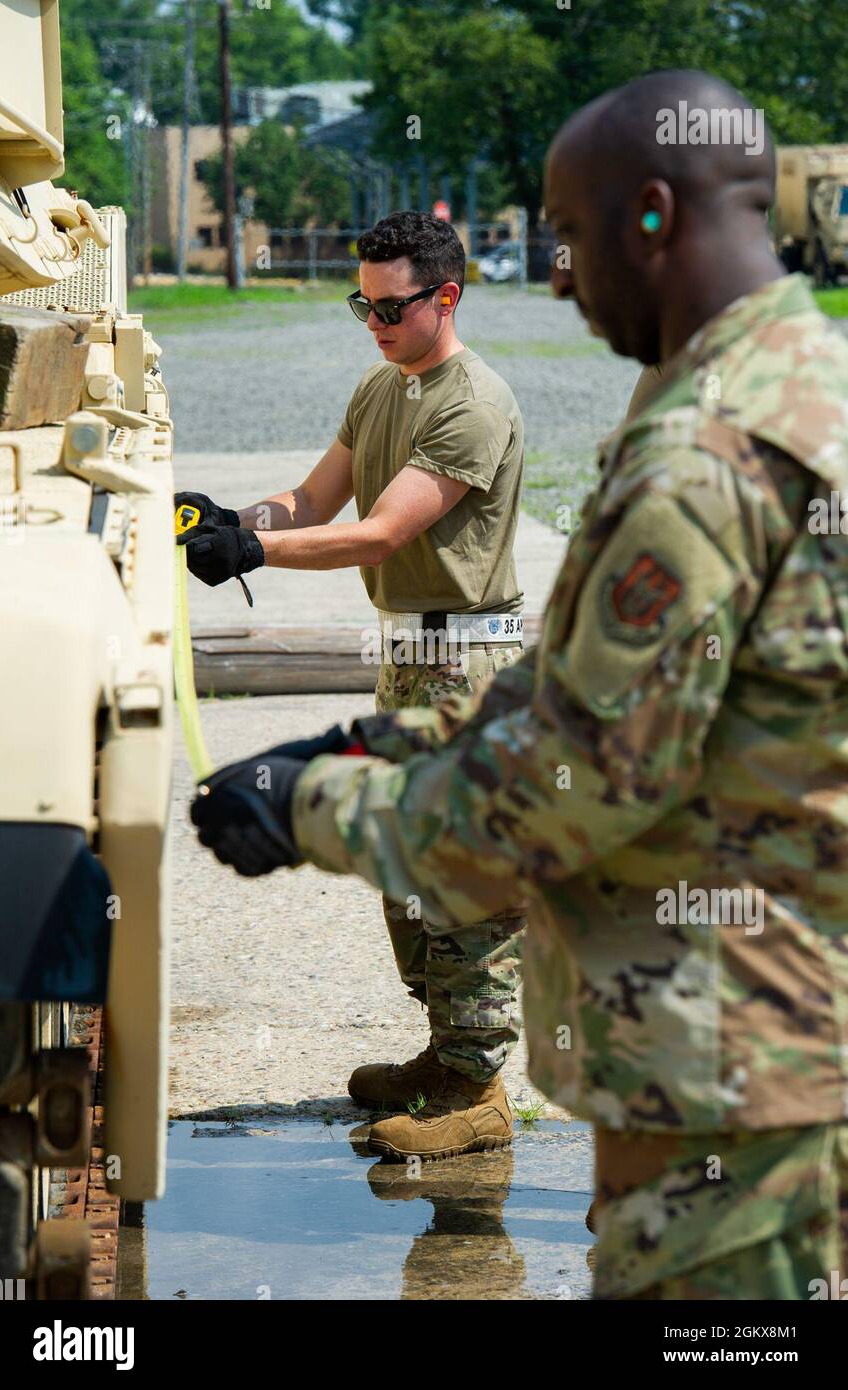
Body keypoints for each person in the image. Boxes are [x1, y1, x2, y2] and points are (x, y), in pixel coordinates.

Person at [190, 69, 848, 1298]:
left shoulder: (708, 457)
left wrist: (309, 807)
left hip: (729, 1049)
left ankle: (472, 1080)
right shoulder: (780, 391)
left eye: (567, 234)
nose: (555, 273)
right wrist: (370, 740)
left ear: (651, 216)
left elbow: (574, 785)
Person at [176, 211, 527, 1158]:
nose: (371, 323)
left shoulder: (473, 402)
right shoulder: (382, 388)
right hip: (409, 658)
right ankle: (446, 1057)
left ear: (444, 298)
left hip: (464, 662)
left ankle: (481, 1088)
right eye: (360, 306)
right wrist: (227, 520)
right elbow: (313, 500)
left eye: (388, 308)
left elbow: (379, 533)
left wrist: (257, 549)